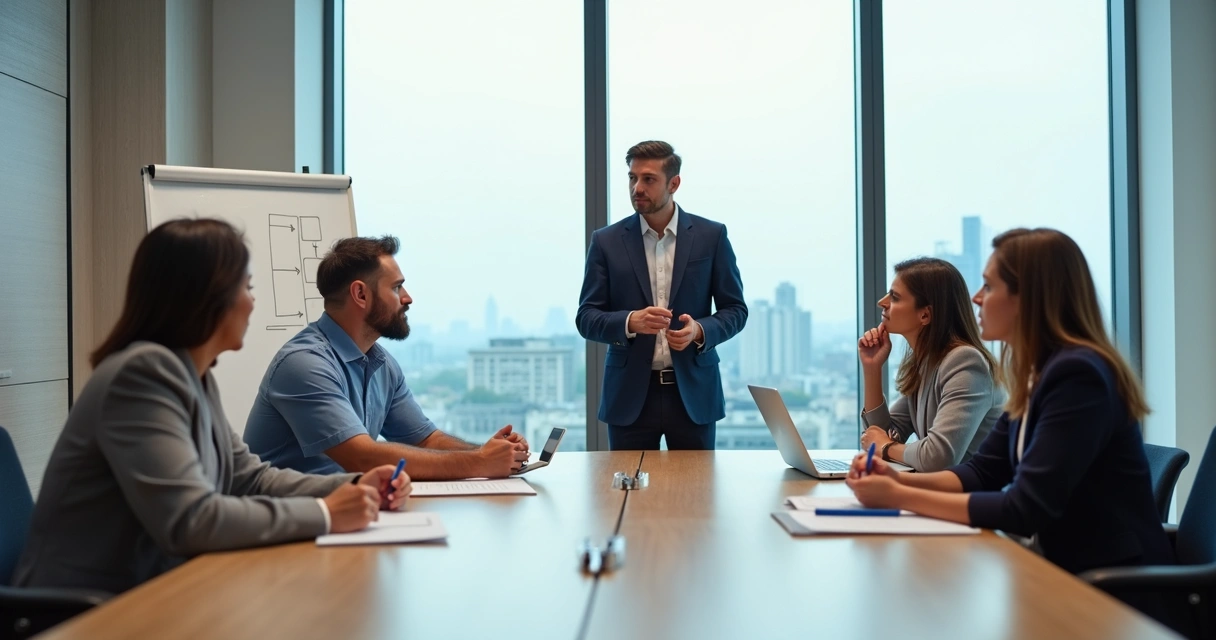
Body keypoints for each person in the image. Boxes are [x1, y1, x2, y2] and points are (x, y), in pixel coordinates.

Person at [14, 219, 409, 594]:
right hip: (82, 611)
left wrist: (355, 484)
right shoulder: (142, 376)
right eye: (247, 287)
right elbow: (191, 520)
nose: (253, 303)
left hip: (154, 590)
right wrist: (326, 514)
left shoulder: (194, 377)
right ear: (208, 297)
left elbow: (250, 480)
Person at [845, 228, 1180, 627]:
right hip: (1061, 572)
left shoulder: (1078, 376)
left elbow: (1024, 508)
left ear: (1029, 299)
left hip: (1112, 596)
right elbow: (982, 472)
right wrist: (895, 482)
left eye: (989, 285)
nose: (976, 297)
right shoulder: (1040, 372)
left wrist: (898, 495)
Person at [243, 236, 528, 479]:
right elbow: (362, 458)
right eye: (396, 287)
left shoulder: (381, 363)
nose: (407, 298)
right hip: (283, 524)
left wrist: (491, 453)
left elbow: (426, 440)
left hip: (342, 513)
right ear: (360, 295)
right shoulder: (304, 364)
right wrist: (480, 463)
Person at [576, 141, 747, 450]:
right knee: (627, 496)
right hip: (629, 397)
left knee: (697, 495)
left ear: (674, 183)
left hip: (694, 395)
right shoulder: (606, 241)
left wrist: (699, 331)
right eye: (632, 178)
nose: (637, 188)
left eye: (648, 179)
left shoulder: (712, 236)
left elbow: (735, 310)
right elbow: (587, 318)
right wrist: (630, 321)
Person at [856, 257, 1004, 471]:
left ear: (925, 314)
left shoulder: (965, 362)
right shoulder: (926, 362)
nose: (883, 302)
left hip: (969, 499)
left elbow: (937, 457)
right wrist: (872, 370)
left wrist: (886, 446)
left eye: (895, 297)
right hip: (940, 494)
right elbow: (876, 437)